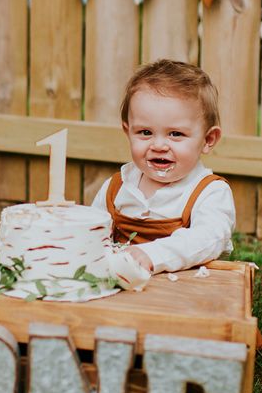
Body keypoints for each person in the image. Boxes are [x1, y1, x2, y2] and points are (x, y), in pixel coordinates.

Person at [92, 59, 235, 275]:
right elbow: (92, 235)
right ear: (128, 131)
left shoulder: (209, 193)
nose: (158, 145)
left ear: (208, 139)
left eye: (175, 134)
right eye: (145, 132)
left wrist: (153, 255)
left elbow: (208, 238)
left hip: (184, 293)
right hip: (120, 287)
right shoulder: (116, 188)